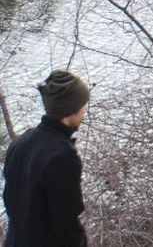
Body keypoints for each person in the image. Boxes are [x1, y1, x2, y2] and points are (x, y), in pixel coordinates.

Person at [2, 70, 91, 247]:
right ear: (70, 110)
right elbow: (67, 224)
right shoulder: (62, 156)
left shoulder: (21, 142)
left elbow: (10, 200)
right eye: (82, 105)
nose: (84, 111)